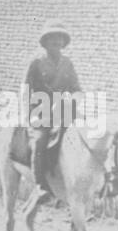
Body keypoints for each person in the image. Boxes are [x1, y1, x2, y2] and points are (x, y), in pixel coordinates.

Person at [25, 21, 81, 206]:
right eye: (52, 41)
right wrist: (28, 114)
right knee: (40, 140)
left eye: (59, 41)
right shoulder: (36, 63)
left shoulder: (68, 63)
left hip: (64, 110)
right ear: (46, 42)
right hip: (41, 111)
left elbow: (76, 88)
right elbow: (26, 89)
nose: (56, 44)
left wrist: (74, 98)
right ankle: (40, 185)